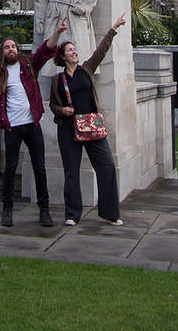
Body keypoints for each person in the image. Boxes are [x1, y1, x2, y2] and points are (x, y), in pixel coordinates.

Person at [0, 17, 69, 228]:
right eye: (7, 47)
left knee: (40, 168)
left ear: (17, 50)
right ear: (2, 53)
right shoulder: (0, 75)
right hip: (13, 126)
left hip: (32, 125)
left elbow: (45, 51)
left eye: (13, 46)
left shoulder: (28, 64)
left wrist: (58, 32)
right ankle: (7, 209)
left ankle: (44, 210)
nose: (11, 49)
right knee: (10, 168)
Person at [49, 12, 127, 226]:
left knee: (107, 167)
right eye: (70, 50)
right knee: (71, 172)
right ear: (63, 57)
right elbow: (52, 105)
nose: (74, 52)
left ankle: (111, 212)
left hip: (91, 125)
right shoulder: (58, 79)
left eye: (74, 49)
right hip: (68, 128)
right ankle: (72, 214)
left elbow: (101, 51)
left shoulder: (86, 70)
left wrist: (114, 28)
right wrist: (61, 111)